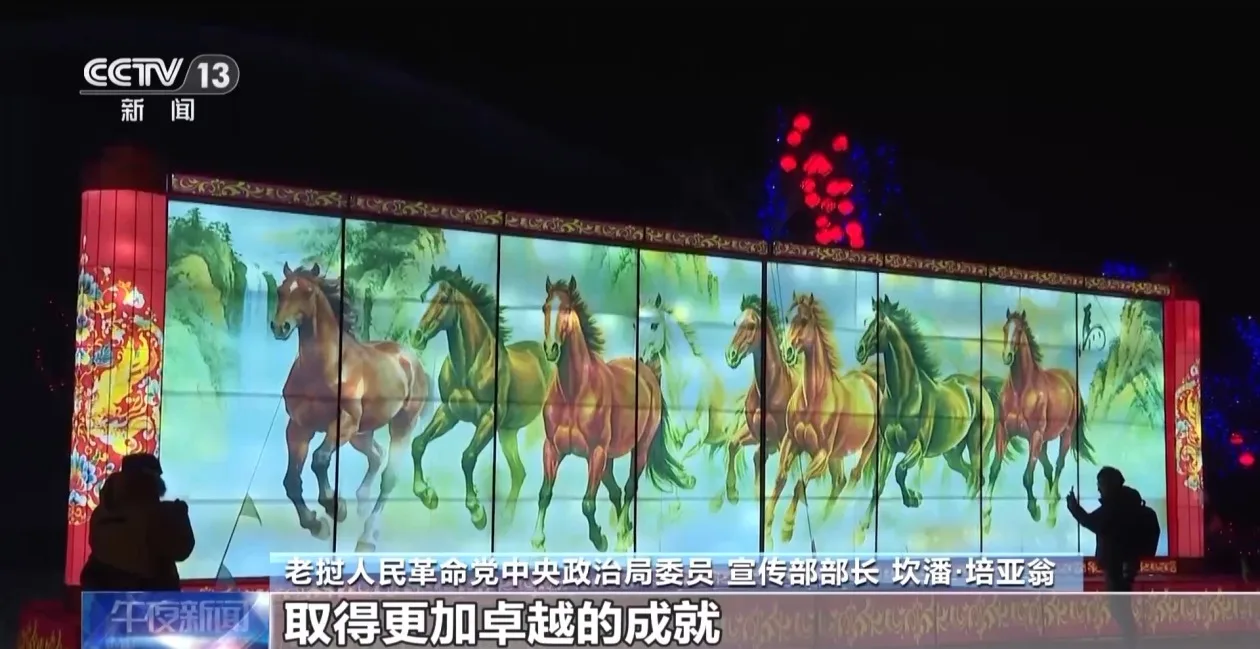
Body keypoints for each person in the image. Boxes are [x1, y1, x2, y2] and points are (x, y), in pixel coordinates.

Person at [80, 453, 195, 590]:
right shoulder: (158, 515)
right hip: (146, 596)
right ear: (151, 479)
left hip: (102, 592)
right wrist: (179, 515)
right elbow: (182, 550)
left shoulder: (102, 512)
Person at [1066, 466, 1145, 646]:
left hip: (1117, 565)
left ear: (1111, 484)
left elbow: (1092, 522)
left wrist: (1074, 508)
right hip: (1124, 564)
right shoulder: (1126, 503)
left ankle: (1131, 643)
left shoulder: (1116, 506)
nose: (1099, 488)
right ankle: (1131, 641)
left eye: (1101, 483)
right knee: (1121, 608)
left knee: (1119, 608)